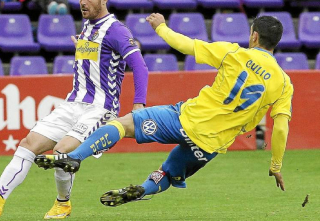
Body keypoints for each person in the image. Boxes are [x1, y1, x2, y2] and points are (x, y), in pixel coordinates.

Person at [36, 13, 293, 208]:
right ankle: (143, 190)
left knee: (124, 123)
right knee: (169, 173)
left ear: (254, 36)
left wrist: (160, 26)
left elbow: (186, 45)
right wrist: (276, 165)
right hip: (211, 144)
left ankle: (76, 157)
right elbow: (281, 127)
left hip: (185, 119)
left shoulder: (234, 53)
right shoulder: (283, 83)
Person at [0, 0, 149, 219]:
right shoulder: (88, 27)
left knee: (63, 151)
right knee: (28, 145)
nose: (83, 2)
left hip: (100, 109)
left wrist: (139, 104)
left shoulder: (117, 30)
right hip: (73, 103)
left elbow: (140, 66)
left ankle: (62, 203)